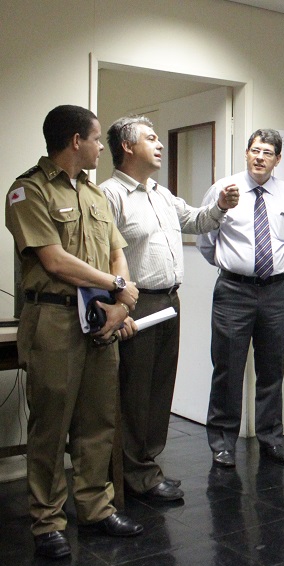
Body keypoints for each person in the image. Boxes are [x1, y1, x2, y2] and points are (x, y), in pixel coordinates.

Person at [5, 105, 145, 559]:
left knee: (98, 421)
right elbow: (54, 261)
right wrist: (119, 288)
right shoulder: (28, 190)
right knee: (51, 426)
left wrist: (118, 305)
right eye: (97, 139)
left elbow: (116, 252)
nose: (102, 147)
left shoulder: (95, 194)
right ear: (74, 141)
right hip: (55, 321)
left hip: (101, 319)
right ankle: (47, 522)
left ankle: (96, 508)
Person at [101, 116, 238, 501]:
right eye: (150, 139)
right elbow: (101, 256)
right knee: (134, 392)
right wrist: (117, 307)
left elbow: (196, 220)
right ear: (127, 147)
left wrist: (220, 205)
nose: (159, 145)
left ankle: (147, 465)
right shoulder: (110, 194)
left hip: (168, 301)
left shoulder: (161, 193)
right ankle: (133, 474)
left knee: (159, 389)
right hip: (135, 303)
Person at [197, 129, 284, 468]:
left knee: (272, 368)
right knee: (228, 367)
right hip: (234, 292)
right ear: (246, 153)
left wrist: (267, 272)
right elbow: (206, 239)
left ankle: (270, 438)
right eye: (255, 150)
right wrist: (236, 269)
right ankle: (223, 443)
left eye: (267, 152)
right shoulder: (224, 189)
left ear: (278, 159)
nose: (260, 157)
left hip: (275, 291)